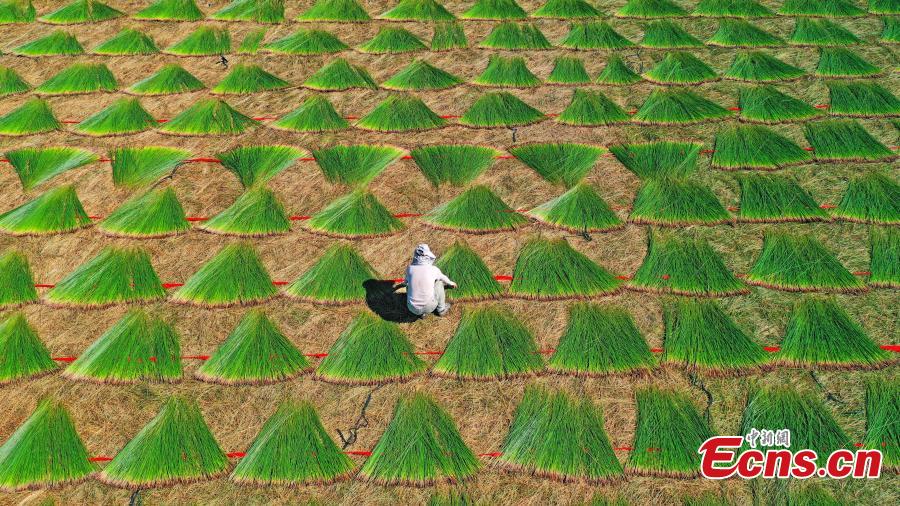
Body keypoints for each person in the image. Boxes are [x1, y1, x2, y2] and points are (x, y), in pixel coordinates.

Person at [404, 244, 456, 317]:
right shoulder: (433, 269)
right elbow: (443, 277)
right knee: (439, 283)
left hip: (412, 308)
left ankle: (421, 314)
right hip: (429, 306)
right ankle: (441, 310)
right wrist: (451, 283)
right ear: (428, 257)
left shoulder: (409, 269)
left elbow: (405, 282)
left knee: (408, 285)